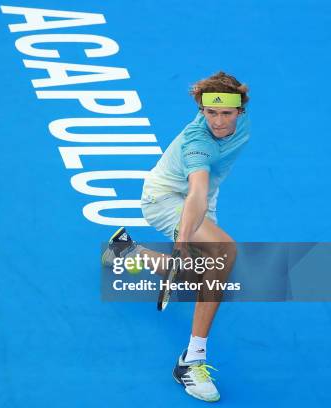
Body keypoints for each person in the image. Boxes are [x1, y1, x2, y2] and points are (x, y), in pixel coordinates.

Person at [103, 71, 250, 402]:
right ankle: (191, 361)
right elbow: (196, 191)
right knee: (225, 252)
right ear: (201, 110)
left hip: (201, 201)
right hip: (167, 199)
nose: (218, 121)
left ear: (241, 110)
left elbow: (202, 195)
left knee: (204, 280)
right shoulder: (198, 142)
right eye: (210, 113)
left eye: (226, 112)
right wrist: (182, 240)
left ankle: (126, 252)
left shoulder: (242, 122)